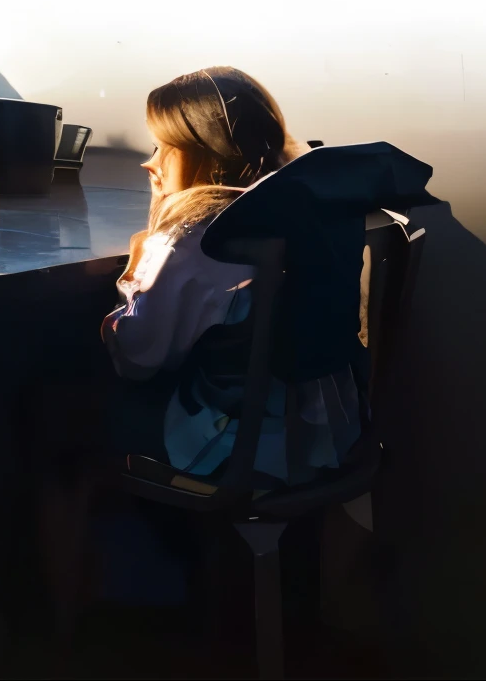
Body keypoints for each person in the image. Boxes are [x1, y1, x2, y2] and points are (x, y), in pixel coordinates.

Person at [102, 66, 355, 479]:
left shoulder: (193, 237)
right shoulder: (301, 215)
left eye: (163, 147)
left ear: (203, 151)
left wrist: (139, 262)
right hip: (319, 444)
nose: (150, 163)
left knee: (53, 412)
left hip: (232, 450)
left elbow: (138, 358)